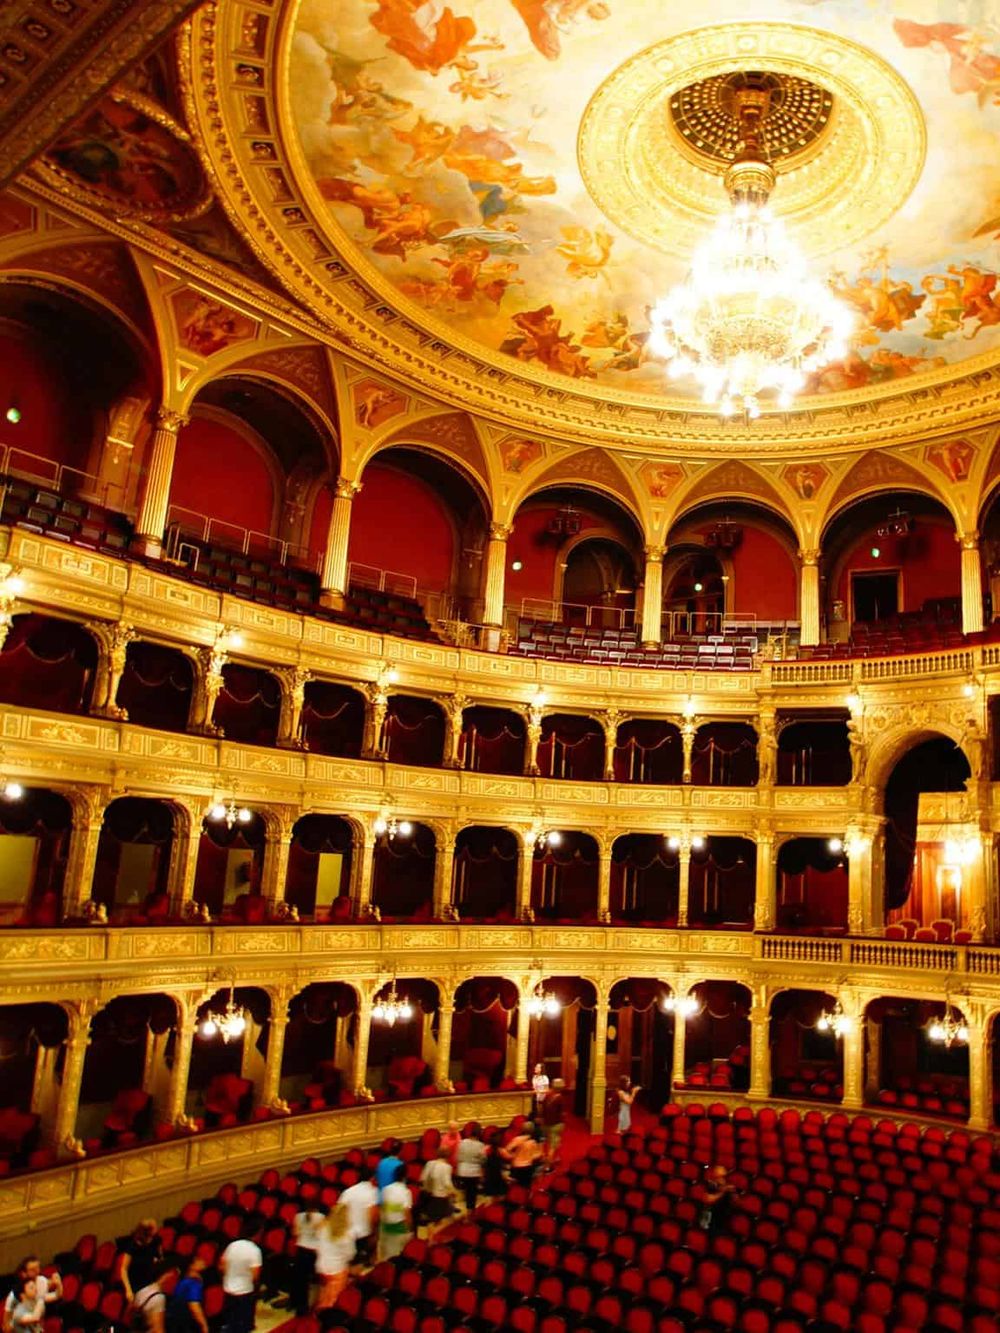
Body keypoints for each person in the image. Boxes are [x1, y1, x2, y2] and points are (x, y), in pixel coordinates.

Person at [219, 1221, 261, 1333]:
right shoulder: (254, 1250)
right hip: (244, 1291)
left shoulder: (232, 1245)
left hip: (228, 1289)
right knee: (241, 1324)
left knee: (230, 1321)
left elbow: (222, 1266)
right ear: (257, 1234)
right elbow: (255, 1276)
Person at [312, 1205, 354, 1311]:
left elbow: (317, 1246)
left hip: (322, 1267)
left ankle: (319, 1312)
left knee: (323, 1294)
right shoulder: (346, 1236)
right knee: (333, 1300)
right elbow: (350, 1254)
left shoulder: (323, 1229)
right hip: (337, 1270)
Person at [3, 1259, 61, 1332]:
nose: (37, 1272)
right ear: (23, 1273)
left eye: (38, 1268)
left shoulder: (39, 1285)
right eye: (32, 1270)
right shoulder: (15, 1299)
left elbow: (57, 1295)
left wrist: (58, 1284)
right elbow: (6, 1325)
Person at [339, 1166, 379, 1267]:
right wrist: (374, 1233)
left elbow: (339, 1212)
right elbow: (373, 1216)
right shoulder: (373, 1193)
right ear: (372, 1178)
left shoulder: (347, 1192)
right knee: (362, 1265)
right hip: (364, 1235)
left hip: (347, 1234)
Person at [289, 1203, 325, 1317]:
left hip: (301, 1250)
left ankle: (296, 1304)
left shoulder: (298, 1216)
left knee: (299, 1280)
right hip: (313, 1251)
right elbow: (321, 1235)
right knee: (312, 1281)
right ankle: (308, 1307)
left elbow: (294, 1233)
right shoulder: (321, 1217)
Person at [120, 1220, 162, 1306]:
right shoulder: (132, 1246)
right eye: (154, 1227)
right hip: (136, 1281)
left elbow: (159, 1257)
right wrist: (128, 1290)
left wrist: (156, 1260)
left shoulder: (156, 1240)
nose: (157, 1228)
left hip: (150, 1279)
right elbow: (123, 1269)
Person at [131, 1259, 178, 1333]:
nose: (175, 1285)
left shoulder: (143, 1290)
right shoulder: (159, 1298)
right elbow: (158, 1330)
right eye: (175, 1280)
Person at [418, 1147, 456, 1236]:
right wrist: (454, 1192)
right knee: (447, 1220)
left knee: (431, 1221)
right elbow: (447, 1183)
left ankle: (430, 1241)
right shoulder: (447, 1167)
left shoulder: (429, 1163)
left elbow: (422, 1178)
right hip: (440, 1197)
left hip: (428, 1196)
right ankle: (434, 1238)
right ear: (448, 1157)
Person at [378, 1162, 412, 1260]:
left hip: (385, 1226)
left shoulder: (386, 1189)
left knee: (386, 1254)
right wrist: (409, 1229)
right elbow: (406, 1213)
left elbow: (383, 1207)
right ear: (405, 1176)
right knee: (395, 1255)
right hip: (398, 1228)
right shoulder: (405, 1192)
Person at [165, 1258, 208, 1333]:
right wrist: (204, 1325)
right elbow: (194, 1306)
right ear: (191, 1266)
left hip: (174, 1320)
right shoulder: (193, 1283)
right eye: (198, 1260)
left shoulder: (184, 1280)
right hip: (184, 1324)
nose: (203, 1261)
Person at [455, 1122, 488, 1212]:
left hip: (462, 1170)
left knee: (468, 1190)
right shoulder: (480, 1146)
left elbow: (458, 1157)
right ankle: (470, 1211)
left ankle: (468, 1209)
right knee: (472, 1193)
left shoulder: (462, 1142)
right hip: (473, 1172)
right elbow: (483, 1160)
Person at [502, 1121, 543, 1186]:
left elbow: (507, 1150)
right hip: (528, 1167)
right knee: (526, 1186)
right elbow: (538, 1155)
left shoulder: (517, 1139)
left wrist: (513, 1156)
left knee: (515, 1186)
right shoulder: (533, 1142)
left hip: (516, 1167)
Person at [700, 1164, 736, 1235]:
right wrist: (722, 1192)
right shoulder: (709, 1185)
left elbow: (736, 1204)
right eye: (719, 1177)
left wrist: (733, 1194)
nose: (722, 1180)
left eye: (724, 1177)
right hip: (708, 1219)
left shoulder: (726, 1188)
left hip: (722, 1221)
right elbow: (708, 1200)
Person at [541, 1078, 566, 1167]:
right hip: (556, 1123)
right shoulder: (560, 1098)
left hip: (545, 1122)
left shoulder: (547, 1095)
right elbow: (562, 1113)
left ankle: (555, 1157)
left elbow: (542, 1109)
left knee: (548, 1142)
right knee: (553, 1144)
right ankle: (547, 1166)